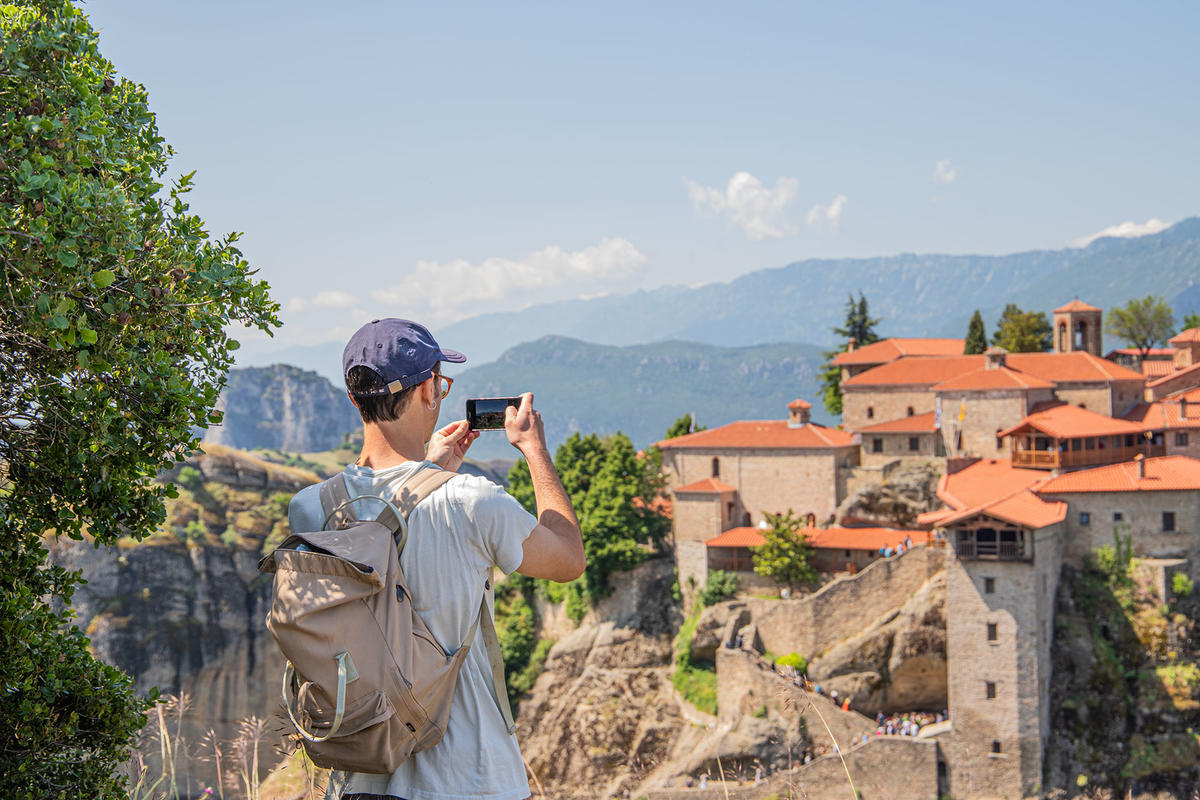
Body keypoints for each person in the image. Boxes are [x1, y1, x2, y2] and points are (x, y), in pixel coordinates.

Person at [289, 319, 585, 800]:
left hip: (359, 779)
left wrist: (429, 472)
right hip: (469, 779)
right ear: (429, 390)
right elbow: (568, 559)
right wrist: (535, 451)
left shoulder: (310, 508)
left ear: (354, 399)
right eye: (441, 384)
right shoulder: (472, 501)